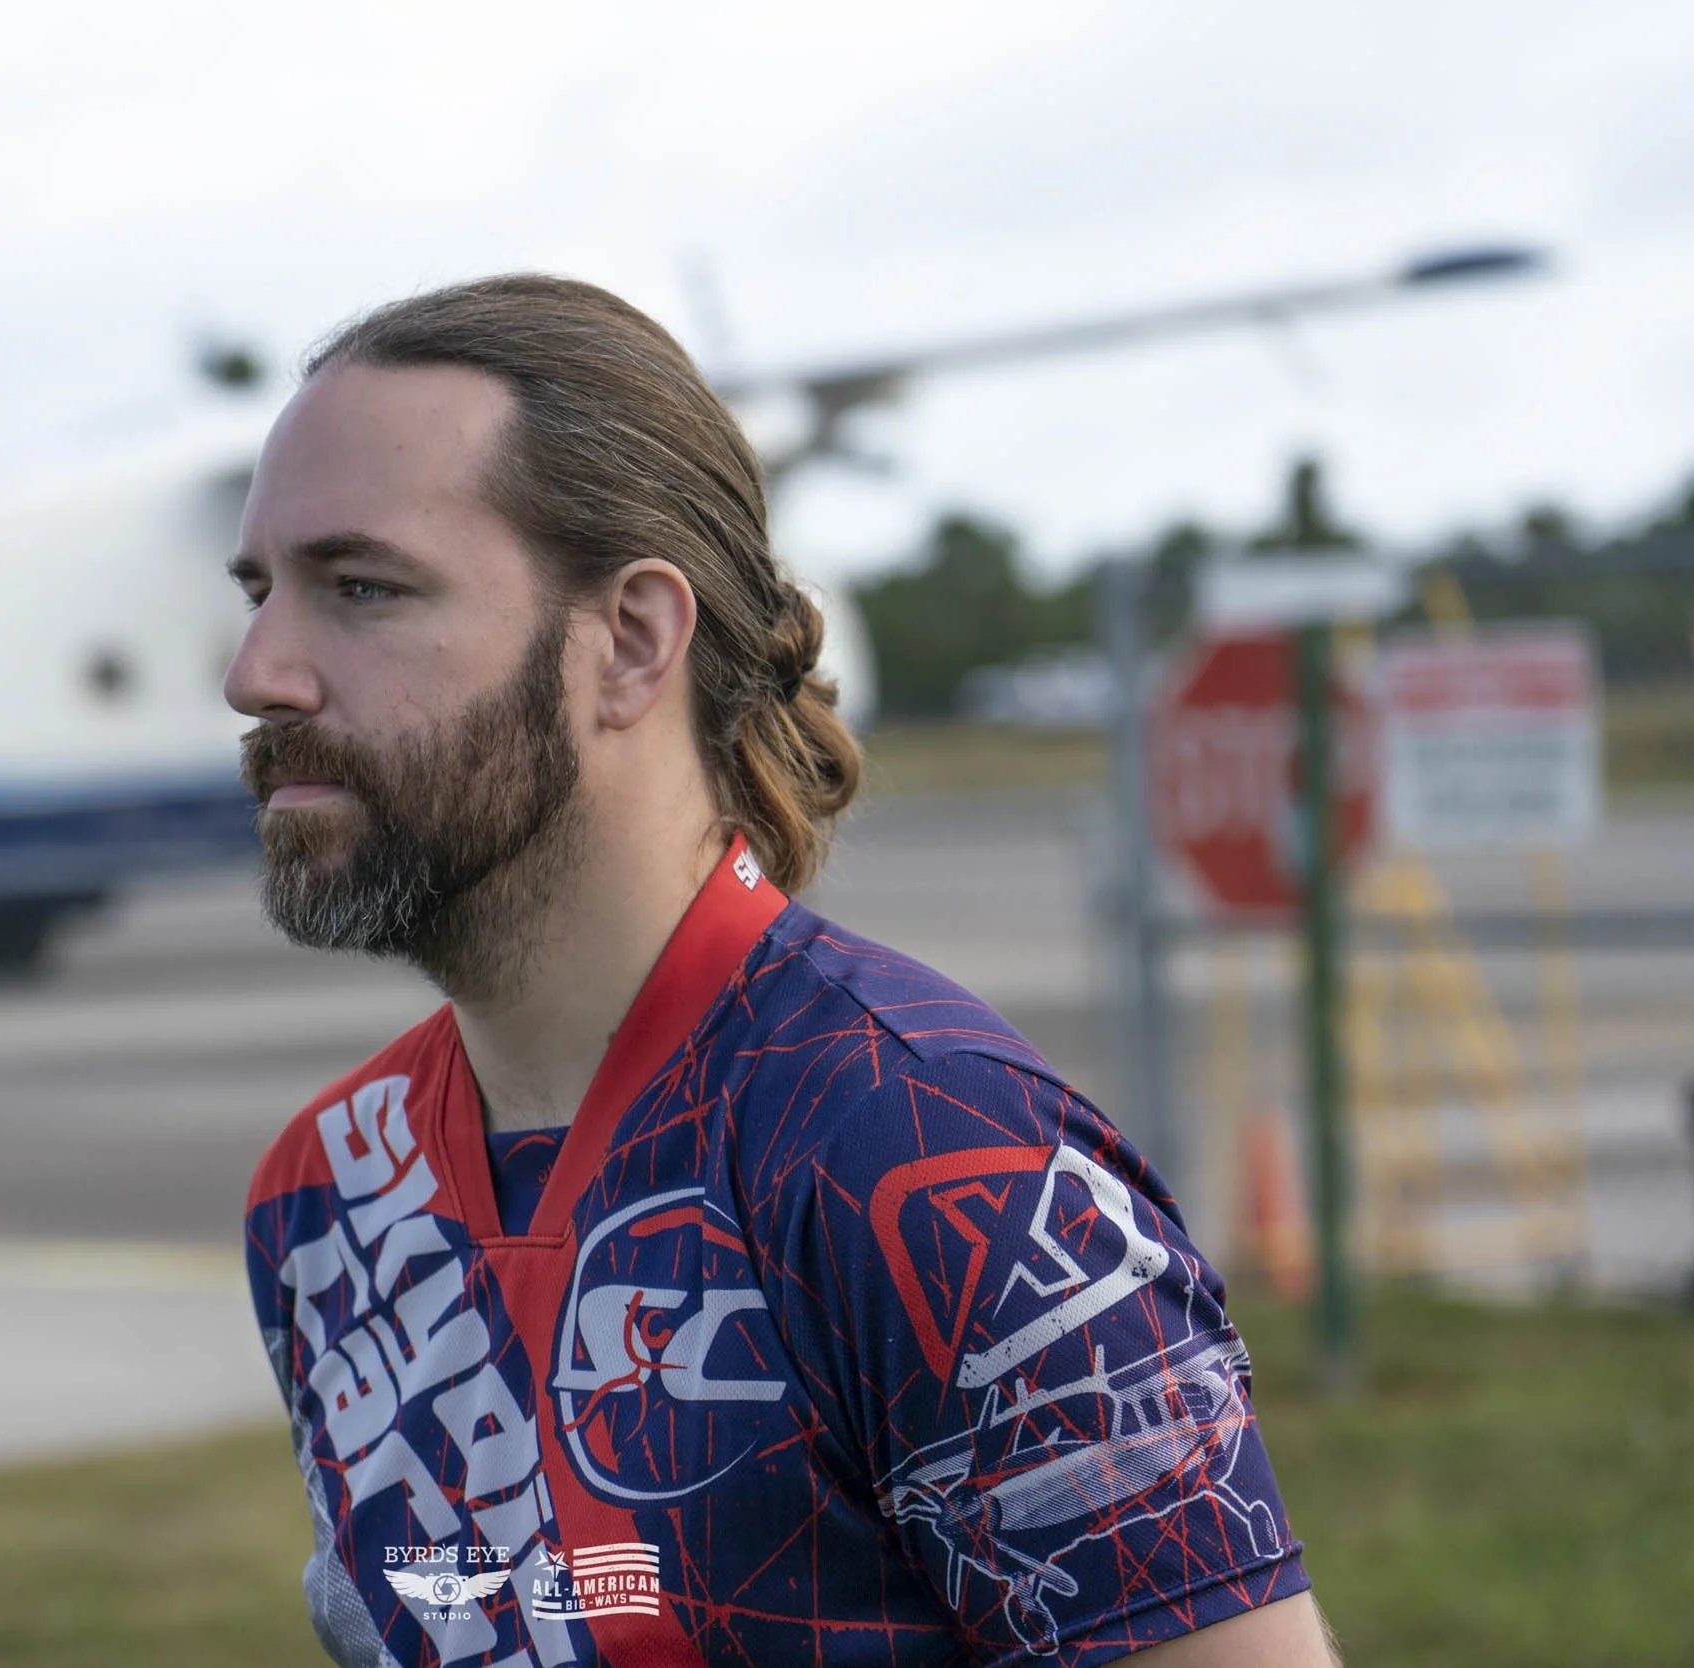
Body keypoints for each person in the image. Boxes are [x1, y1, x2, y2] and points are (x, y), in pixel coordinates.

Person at [226, 275, 1332, 1667]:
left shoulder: (934, 1158)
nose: (255, 671)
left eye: (361, 588)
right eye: (261, 591)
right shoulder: (326, 1197)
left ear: (629, 642)